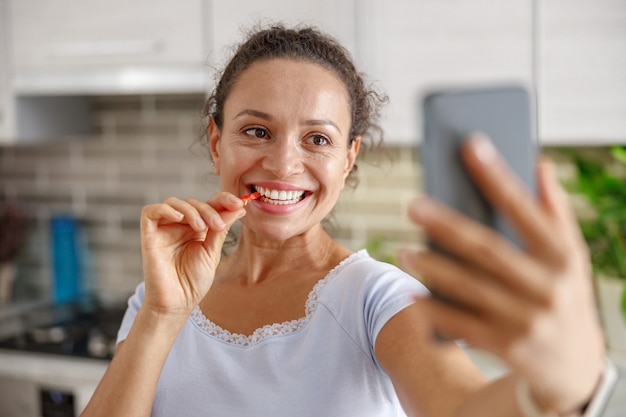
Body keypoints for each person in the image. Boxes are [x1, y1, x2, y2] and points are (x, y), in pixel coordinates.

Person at [81, 24, 613, 417]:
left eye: (318, 139)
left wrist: (571, 384)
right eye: (257, 131)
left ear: (349, 158)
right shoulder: (157, 298)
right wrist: (160, 315)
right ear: (218, 141)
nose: (285, 164)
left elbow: (464, 406)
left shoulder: (376, 297)